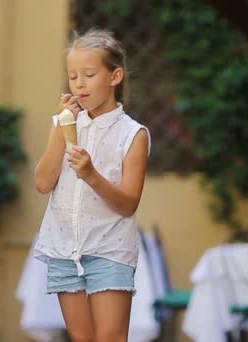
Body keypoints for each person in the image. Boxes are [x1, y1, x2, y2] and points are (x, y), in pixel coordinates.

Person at [34, 29, 150, 342]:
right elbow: (43, 182)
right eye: (72, 77)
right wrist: (61, 128)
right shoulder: (62, 123)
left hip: (109, 249)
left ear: (115, 76)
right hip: (64, 247)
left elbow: (128, 204)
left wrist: (92, 175)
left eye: (88, 74)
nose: (79, 84)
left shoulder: (133, 135)